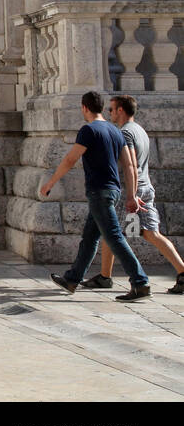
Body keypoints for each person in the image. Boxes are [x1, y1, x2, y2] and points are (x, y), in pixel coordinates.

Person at [43, 91, 151, 301]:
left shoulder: (88, 130)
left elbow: (70, 159)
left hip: (99, 192)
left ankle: (140, 282)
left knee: (114, 237)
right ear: (101, 107)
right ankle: (72, 279)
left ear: (84, 108)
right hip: (113, 191)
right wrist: (131, 195)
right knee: (90, 238)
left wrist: (50, 182)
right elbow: (130, 164)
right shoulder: (116, 131)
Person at [80, 96, 184, 293]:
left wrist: (131, 194)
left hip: (131, 189)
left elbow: (131, 165)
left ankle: (107, 277)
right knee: (145, 232)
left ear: (120, 110)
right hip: (144, 186)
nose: (109, 113)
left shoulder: (126, 133)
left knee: (112, 232)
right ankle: (105, 275)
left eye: (111, 110)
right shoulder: (140, 130)